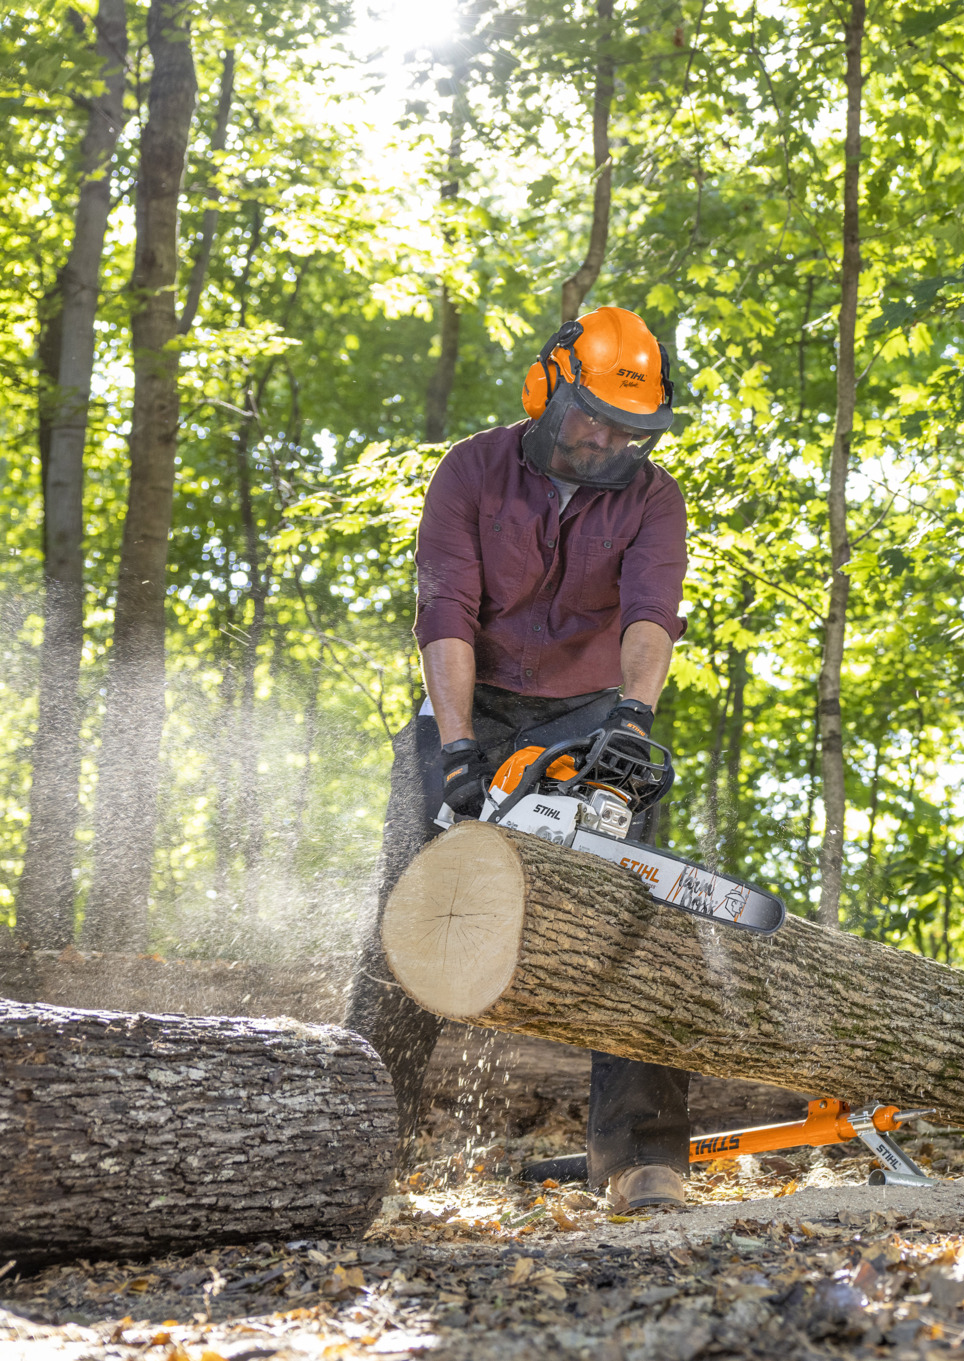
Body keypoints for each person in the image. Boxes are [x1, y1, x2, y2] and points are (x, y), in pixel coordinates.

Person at [346, 305, 694, 1213]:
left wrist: (631, 720)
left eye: (630, 426)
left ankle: (640, 1156)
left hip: (588, 716)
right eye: (593, 415)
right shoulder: (472, 469)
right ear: (547, 388)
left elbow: (651, 611)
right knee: (413, 913)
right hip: (473, 699)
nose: (609, 438)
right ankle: (353, 1142)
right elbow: (446, 609)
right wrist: (457, 747)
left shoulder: (653, 498)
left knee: (633, 914)